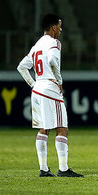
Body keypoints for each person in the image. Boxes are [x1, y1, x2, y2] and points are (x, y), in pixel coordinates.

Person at [17, 13, 83, 177]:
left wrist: (33, 84)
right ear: (54, 27)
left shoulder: (37, 45)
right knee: (62, 129)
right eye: (60, 26)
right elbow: (53, 61)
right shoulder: (54, 43)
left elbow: (21, 67)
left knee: (43, 129)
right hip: (50, 89)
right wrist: (59, 80)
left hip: (38, 89)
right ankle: (63, 168)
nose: (61, 29)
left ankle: (44, 168)